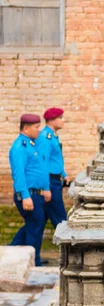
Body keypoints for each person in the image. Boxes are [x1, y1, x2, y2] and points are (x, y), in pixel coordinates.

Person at [9, 114, 51, 267]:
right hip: (28, 195)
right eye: (36, 127)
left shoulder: (31, 144)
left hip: (36, 194)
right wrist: (25, 196)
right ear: (25, 128)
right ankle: (32, 262)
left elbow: (39, 169)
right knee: (34, 228)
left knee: (33, 227)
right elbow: (18, 174)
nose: (39, 130)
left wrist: (45, 189)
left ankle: (22, 256)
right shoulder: (19, 147)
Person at [37, 107, 68, 228]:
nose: (63, 120)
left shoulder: (53, 136)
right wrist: (45, 187)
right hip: (49, 181)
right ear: (51, 120)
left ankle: (16, 246)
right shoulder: (45, 138)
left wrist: (64, 174)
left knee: (38, 222)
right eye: (60, 118)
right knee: (61, 219)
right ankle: (69, 245)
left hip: (55, 179)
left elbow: (55, 159)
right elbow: (43, 163)